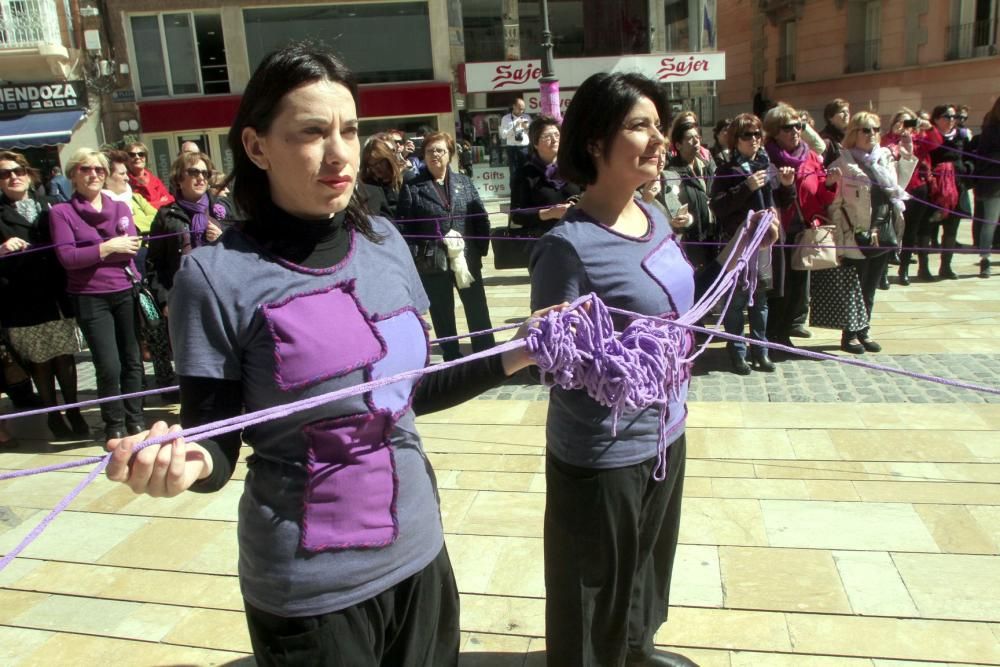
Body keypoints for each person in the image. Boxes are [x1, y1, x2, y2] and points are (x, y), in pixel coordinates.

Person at [102, 44, 547, 667]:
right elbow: (217, 436)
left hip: (420, 554)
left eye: (349, 129)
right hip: (310, 591)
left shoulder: (384, 240)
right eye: (312, 132)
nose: (340, 153)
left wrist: (521, 351)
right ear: (257, 148)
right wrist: (187, 461)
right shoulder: (213, 276)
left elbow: (408, 391)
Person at [530, 71, 776, 667]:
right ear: (594, 143)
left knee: (645, 571)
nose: (659, 139)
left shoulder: (655, 215)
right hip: (602, 454)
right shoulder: (569, 245)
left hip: (665, 432)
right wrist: (595, 356)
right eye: (639, 126)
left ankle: (637, 650)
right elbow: (549, 362)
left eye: (659, 126)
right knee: (596, 592)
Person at [49, 149, 144, 440]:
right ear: (73, 175)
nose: (94, 175)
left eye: (99, 170)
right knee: (108, 365)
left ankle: (136, 419)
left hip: (125, 289)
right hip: (90, 297)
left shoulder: (119, 207)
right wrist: (108, 248)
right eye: (85, 169)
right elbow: (68, 258)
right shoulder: (60, 212)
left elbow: (133, 247)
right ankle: (113, 424)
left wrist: (95, 252)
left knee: (133, 360)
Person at [0, 152, 88, 439]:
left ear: (29, 174)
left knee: (65, 357)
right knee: (41, 362)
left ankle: (74, 410)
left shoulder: (51, 205)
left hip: (57, 297)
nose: (13, 176)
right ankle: (53, 415)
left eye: (19, 170)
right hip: (22, 301)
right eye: (5, 174)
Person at [397, 131, 495, 361]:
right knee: (441, 311)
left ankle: (487, 353)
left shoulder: (464, 182)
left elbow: (480, 218)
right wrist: (416, 257)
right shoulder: (412, 187)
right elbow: (403, 228)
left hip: (466, 258)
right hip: (432, 260)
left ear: (450, 154)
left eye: (440, 150)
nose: (435, 155)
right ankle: (451, 355)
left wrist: (479, 250)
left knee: (477, 307)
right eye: (430, 151)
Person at [824, 111, 917, 353]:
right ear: (854, 133)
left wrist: (907, 158)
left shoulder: (884, 157)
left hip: (883, 229)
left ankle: (864, 330)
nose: (872, 134)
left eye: (875, 129)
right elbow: (833, 202)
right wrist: (840, 237)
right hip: (856, 232)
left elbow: (898, 188)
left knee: (871, 286)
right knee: (854, 286)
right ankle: (849, 334)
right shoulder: (843, 161)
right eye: (866, 129)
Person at [711, 113, 795, 374]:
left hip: (762, 245)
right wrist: (745, 187)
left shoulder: (766, 165)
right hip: (738, 244)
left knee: (760, 301)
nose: (754, 140)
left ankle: (761, 350)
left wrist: (786, 186)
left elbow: (782, 202)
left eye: (758, 134)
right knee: (736, 301)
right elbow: (718, 206)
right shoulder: (726, 169)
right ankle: (737, 352)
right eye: (748, 135)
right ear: (736, 140)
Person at [763, 104, 840, 349]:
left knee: (798, 286)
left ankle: (785, 331)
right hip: (778, 232)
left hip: (804, 228)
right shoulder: (766, 157)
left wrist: (829, 185)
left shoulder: (810, 156)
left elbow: (819, 194)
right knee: (779, 287)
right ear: (775, 132)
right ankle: (772, 335)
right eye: (788, 128)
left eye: (798, 126)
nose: (795, 131)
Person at [882, 108, 933, 285]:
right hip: (893, 190)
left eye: (908, 122)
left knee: (911, 231)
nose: (904, 126)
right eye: (900, 121)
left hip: (916, 189)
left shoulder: (919, 139)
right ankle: (882, 273)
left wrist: (928, 128)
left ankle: (904, 269)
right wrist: (895, 136)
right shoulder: (887, 139)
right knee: (889, 230)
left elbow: (937, 143)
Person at [509, 115, 581, 234]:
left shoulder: (573, 167)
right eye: (547, 136)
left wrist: (577, 202)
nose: (554, 140)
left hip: (578, 236)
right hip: (545, 241)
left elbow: (591, 196)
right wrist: (550, 213)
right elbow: (517, 215)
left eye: (557, 135)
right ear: (535, 143)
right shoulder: (525, 174)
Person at [661, 119, 718, 270]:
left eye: (698, 137)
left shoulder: (707, 168)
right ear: (678, 145)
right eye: (690, 138)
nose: (696, 141)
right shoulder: (671, 173)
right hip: (691, 240)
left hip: (713, 236)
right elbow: (672, 203)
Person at [924, 104, 970, 279]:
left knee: (951, 229)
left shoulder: (961, 136)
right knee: (927, 228)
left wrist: (966, 170)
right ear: (936, 119)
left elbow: (968, 157)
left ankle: (946, 266)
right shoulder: (930, 137)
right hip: (934, 190)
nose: (951, 120)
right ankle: (923, 268)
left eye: (954, 117)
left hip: (956, 189)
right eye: (947, 116)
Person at [974, 96, 1000, 278]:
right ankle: (985, 260)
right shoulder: (991, 129)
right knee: (990, 222)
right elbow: (983, 156)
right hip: (994, 183)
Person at [360, 136, 403, 219]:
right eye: (371, 165)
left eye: (379, 162)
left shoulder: (405, 178)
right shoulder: (368, 183)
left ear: (388, 158)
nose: (376, 168)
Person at [124, 142, 174, 209]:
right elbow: (134, 208)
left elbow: (170, 200)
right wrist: (160, 202)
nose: (137, 157)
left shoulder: (154, 180)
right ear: (126, 160)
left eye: (141, 154)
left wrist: (148, 205)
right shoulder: (125, 183)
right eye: (132, 155)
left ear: (145, 158)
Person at [499, 98, 531, 181]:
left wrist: (527, 128)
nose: (522, 111)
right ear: (514, 106)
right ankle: (515, 192)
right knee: (513, 173)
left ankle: (526, 192)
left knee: (527, 172)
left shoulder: (527, 117)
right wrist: (515, 125)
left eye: (523, 109)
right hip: (512, 148)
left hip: (525, 148)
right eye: (520, 109)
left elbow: (533, 134)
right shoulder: (505, 118)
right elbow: (503, 136)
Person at [820, 98, 851, 167]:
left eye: (848, 112)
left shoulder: (850, 136)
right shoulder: (825, 139)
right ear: (830, 117)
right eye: (842, 112)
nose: (846, 114)